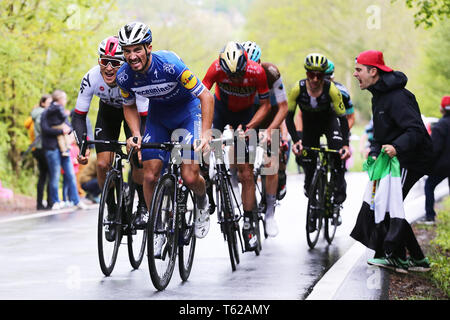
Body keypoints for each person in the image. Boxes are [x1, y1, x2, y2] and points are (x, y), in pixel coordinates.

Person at [116, 22, 214, 241]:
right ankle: (158, 227)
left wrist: (206, 133)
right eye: (127, 51)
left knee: (189, 177)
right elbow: (128, 105)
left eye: (137, 49)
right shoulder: (123, 76)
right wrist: (135, 133)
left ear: (149, 48)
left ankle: (201, 200)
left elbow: (206, 96)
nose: (132, 56)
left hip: (188, 113)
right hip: (158, 116)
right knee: (149, 175)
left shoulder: (170, 65)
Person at [351, 49, 432, 272]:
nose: (355, 74)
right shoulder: (379, 96)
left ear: (373, 71)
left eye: (359, 70)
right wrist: (375, 151)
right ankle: (416, 259)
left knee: (387, 204)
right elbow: (381, 133)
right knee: (385, 203)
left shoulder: (397, 97)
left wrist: (397, 146)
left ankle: (395, 256)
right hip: (394, 159)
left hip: (411, 159)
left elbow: (416, 130)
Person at [72, 36, 149, 229]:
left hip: (134, 114)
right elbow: (79, 115)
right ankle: (111, 207)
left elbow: (144, 116)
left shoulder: (133, 78)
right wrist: (83, 145)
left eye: (114, 63)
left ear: (123, 63)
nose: (108, 68)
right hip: (108, 115)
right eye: (104, 61)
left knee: (138, 159)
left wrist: (139, 141)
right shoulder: (91, 78)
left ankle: (142, 205)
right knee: (102, 163)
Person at [202, 41, 271, 251]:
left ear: (246, 65)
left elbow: (266, 105)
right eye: (229, 76)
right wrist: (204, 130)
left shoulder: (257, 72)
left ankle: (249, 223)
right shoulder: (215, 68)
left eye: (238, 75)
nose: (234, 79)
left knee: (246, 173)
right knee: (201, 153)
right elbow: (202, 95)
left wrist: (250, 126)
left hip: (245, 115)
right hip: (220, 110)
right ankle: (206, 193)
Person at [285, 53, 350, 228]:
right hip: (310, 125)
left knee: (337, 155)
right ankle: (312, 200)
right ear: (306, 73)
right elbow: (289, 118)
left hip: (329, 122)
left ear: (324, 75)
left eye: (319, 75)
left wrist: (345, 144)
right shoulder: (296, 90)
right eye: (311, 74)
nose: (314, 79)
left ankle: (338, 192)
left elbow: (343, 119)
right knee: (307, 160)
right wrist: (296, 140)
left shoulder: (332, 90)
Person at [241, 41, 289, 237]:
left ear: (259, 62)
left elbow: (284, 107)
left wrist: (271, 131)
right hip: (248, 117)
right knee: (242, 163)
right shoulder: (235, 74)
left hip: (271, 117)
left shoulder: (271, 73)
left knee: (271, 163)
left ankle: (270, 213)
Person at [41, 90, 87, 210]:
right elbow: (44, 129)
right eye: (64, 99)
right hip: (52, 147)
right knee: (55, 175)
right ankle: (55, 201)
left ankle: (76, 200)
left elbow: (70, 127)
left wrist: (67, 130)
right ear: (60, 100)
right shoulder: (46, 113)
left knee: (71, 174)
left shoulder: (63, 114)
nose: (65, 101)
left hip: (65, 148)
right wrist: (60, 131)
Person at [424, 95, 450, 223]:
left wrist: (428, 165)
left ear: (442, 109)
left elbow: (435, 149)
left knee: (429, 185)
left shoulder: (440, 126)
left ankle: (430, 217)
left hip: (443, 165)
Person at [30, 94, 53, 210]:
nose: (50, 105)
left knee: (43, 176)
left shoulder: (36, 113)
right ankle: (49, 202)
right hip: (43, 147)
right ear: (43, 103)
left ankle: (40, 203)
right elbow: (43, 129)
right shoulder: (42, 114)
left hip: (38, 148)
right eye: (49, 103)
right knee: (49, 174)